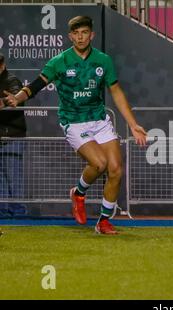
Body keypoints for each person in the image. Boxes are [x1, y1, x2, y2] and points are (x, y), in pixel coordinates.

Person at [3, 16, 147, 234]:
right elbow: (34, 86)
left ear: (92, 35)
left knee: (116, 170)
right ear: (70, 36)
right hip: (74, 122)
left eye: (85, 33)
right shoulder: (59, 61)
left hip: (99, 120)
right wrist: (17, 98)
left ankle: (103, 222)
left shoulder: (103, 60)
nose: (80, 37)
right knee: (99, 164)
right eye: (76, 33)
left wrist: (133, 124)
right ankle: (78, 193)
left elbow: (116, 92)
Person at [0, 52, 27, 216]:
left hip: (12, 136)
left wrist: (4, 101)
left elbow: (17, 98)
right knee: (1, 178)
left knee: (13, 176)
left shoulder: (11, 80)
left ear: (2, 65)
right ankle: (2, 211)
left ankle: (19, 213)